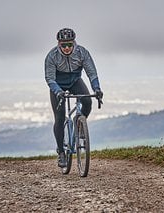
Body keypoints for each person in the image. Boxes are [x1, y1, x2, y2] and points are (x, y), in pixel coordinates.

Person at [44, 28, 103, 167]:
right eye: (63, 45)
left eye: (69, 44)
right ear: (59, 44)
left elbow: (92, 73)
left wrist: (97, 89)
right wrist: (58, 92)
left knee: (87, 101)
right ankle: (61, 153)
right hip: (57, 85)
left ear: (74, 43)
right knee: (59, 117)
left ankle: (79, 122)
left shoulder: (82, 53)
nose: (66, 48)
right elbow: (50, 79)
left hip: (75, 81)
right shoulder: (51, 56)